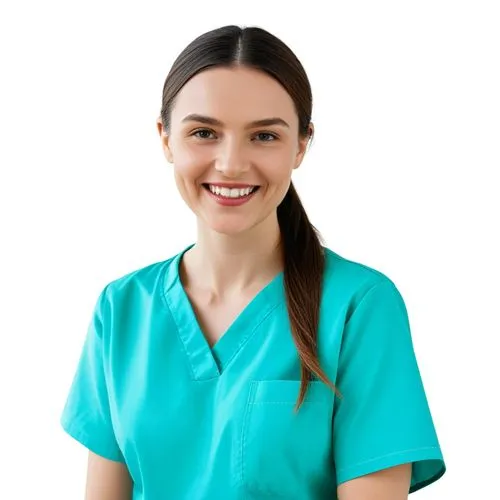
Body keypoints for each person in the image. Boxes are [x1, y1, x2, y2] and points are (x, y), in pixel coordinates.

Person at [60, 24, 446, 499]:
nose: (231, 163)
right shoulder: (122, 309)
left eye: (263, 136)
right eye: (204, 132)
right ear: (165, 138)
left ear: (301, 145)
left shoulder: (359, 306)